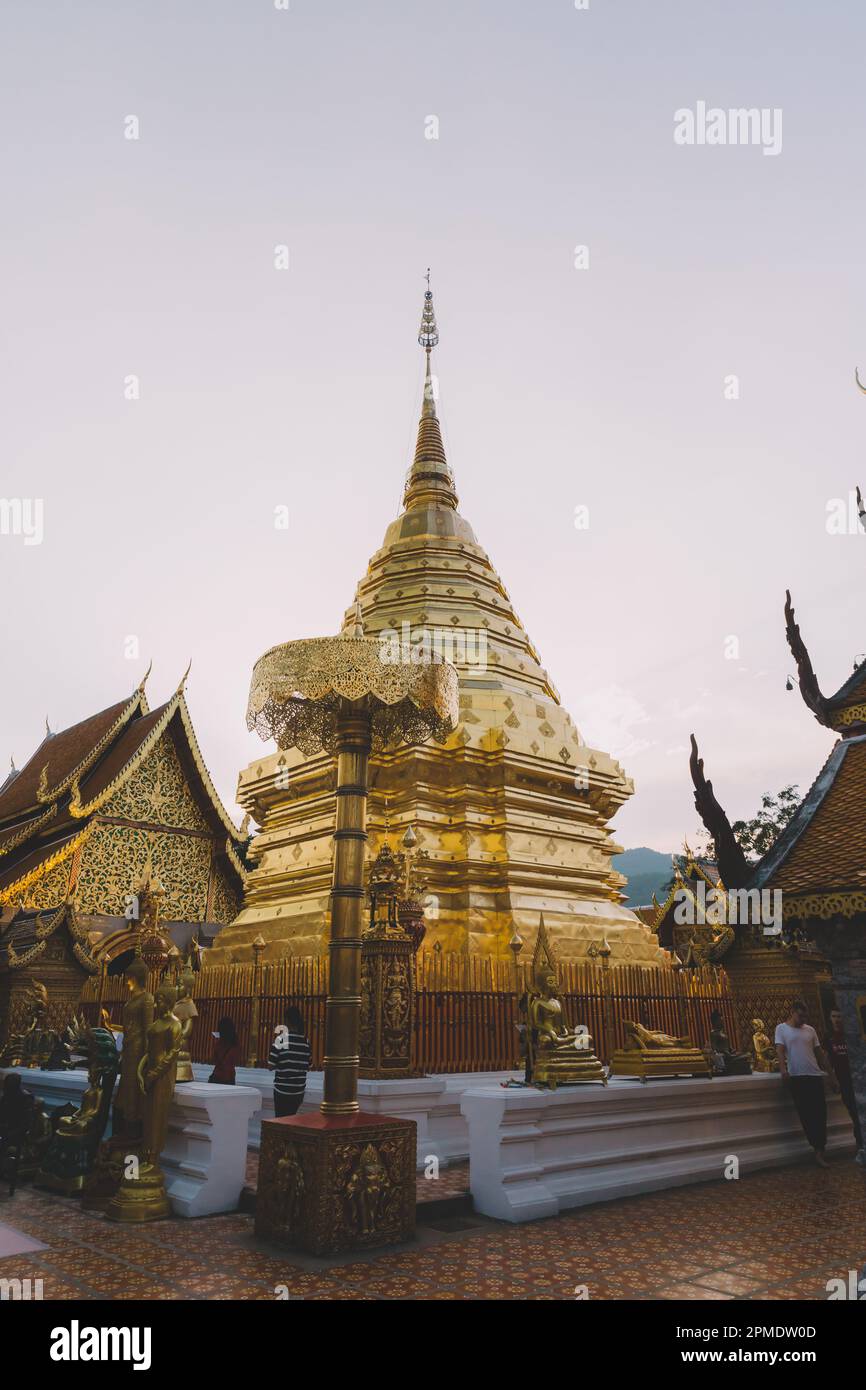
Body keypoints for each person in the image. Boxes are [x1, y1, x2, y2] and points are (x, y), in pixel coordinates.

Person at [775, 1000, 838, 1168]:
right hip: (797, 1077)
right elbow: (780, 1051)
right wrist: (783, 1070)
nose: (803, 1018)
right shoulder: (781, 1029)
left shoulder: (810, 1030)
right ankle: (816, 1146)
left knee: (820, 1113)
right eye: (800, 1015)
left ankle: (820, 1150)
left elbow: (820, 1055)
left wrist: (832, 1077)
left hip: (814, 1075)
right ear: (792, 1012)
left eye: (805, 1015)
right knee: (806, 1115)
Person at [824, 1008, 865, 1164]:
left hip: (859, 1081)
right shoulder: (829, 1039)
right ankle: (860, 1146)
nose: (837, 1019)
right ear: (830, 1018)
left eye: (839, 1016)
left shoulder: (853, 1035)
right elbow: (828, 1060)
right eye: (834, 1016)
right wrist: (832, 1079)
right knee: (855, 1115)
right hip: (845, 1083)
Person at [267, 1006, 312, 1118]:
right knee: (292, 1120)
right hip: (298, 1091)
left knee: (281, 1120)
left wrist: (283, 1063)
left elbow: (270, 1066)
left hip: (282, 1090)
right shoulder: (305, 1041)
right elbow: (309, 1065)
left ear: (286, 1020)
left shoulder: (281, 1040)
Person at [0, 1074, 35, 1195]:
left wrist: (8, 1132)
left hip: (17, 1134)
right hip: (4, 1130)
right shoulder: (7, 1096)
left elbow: (26, 1124)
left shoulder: (25, 1098)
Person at [209, 1016, 242, 1084]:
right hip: (230, 1077)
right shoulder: (236, 1044)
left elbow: (214, 1059)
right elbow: (236, 1060)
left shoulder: (219, 1044)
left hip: (218, 1076)